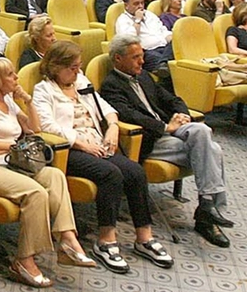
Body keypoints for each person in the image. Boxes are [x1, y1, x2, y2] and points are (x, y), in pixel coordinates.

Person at [32, 42, 172, 271]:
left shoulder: (81, 83)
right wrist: (81, 144)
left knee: (136, 172)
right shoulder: (44, 90)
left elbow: (105, 107)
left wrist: (113, 127)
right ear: (56, 67)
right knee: (110, 173)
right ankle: (106, 240)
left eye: (79, 67)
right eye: (72, 68)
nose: (77, 72)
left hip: (97, 141)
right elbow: (46, 125)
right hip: (69, 149)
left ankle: (144, 237)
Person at [0, 58, 92, 285]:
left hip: (12, 163)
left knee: (54, 176)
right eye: (11, 75)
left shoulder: (9, 102)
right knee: (36, 192)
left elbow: (35, 129)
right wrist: (14, 146)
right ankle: (24, 260)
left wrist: (27, 100)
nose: (16, 78)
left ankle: (67, 239)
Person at [101, 34, 234, 246]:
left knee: (201, 133)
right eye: (136, 57)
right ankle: (207, 211)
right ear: (118, 59)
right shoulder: (110, 85)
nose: (142, 61)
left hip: (171, 132)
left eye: (142, 56)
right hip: (149, 140)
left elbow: (172, 99)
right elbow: (130, 116)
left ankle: (207, 208)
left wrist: (182, 115)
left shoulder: (143, 76)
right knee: (214, 149)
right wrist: (165, 127)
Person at [114, 0, 173, 72]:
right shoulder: (122, 20)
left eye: (142, 3)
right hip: (146, 52)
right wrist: (138, 20)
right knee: (171, 68)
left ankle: (163, 64)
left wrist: (173, 39)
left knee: (175, 47)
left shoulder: (149, 15)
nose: (140, 6)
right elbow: (128, 41)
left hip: (164, 49)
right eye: (136, 4)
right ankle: (164, 65)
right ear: (126, 5)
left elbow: (163, 30)